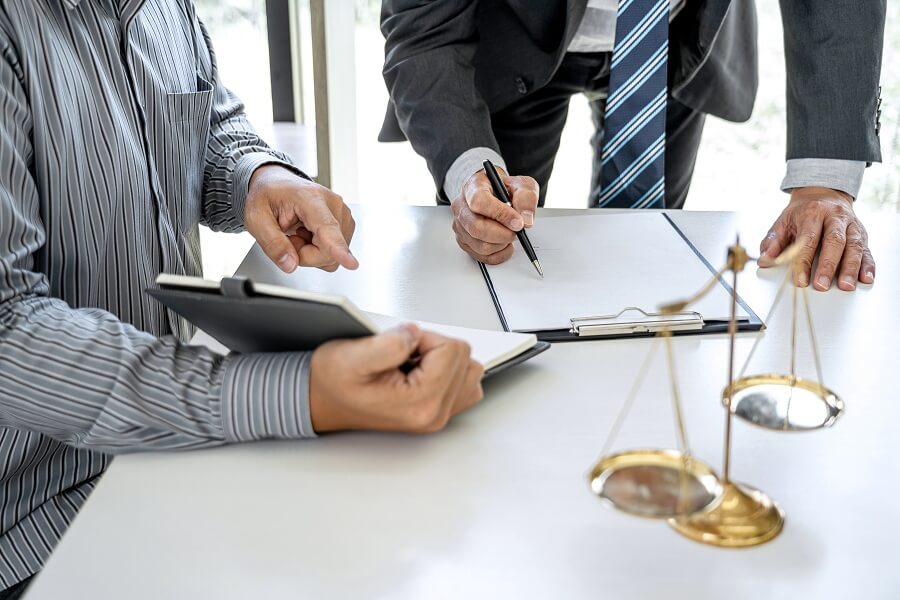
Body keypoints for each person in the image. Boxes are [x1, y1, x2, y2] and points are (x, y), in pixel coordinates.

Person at [0, 2, 483, 596]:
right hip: (41, 521)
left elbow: (206, 123)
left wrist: (258, 176)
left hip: (179, 449)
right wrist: (298, 394)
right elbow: (7, 335)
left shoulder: (162, 9)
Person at [380, 0, 884, 292]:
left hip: (675, 30)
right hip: (508, 29)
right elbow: (423, 28)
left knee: (648, 255)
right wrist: (470, 170)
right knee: (492, 247)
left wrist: (825, 183)